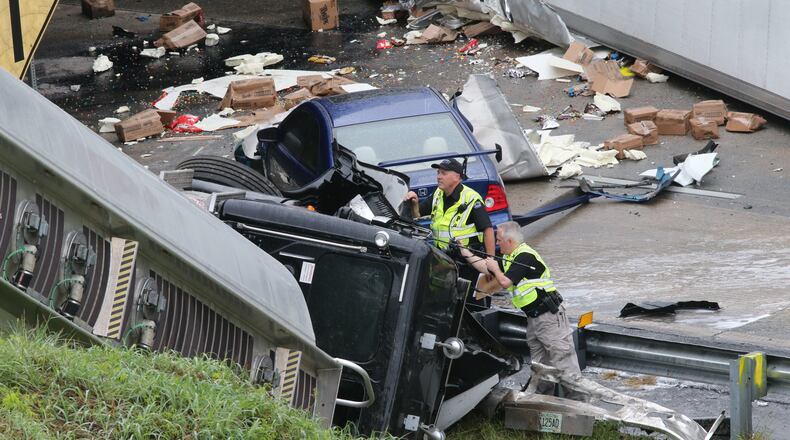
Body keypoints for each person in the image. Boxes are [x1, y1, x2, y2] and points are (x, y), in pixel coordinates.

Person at [479, 221, 583, 399]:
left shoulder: (524, 256)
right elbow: (485, 267)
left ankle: (581, 405)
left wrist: (495, 268)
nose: (496, 244)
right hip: (534, 319)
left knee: (563, 360)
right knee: (540, 364)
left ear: (509, 241)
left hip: (548, 317)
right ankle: (541, 400)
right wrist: (463, 252)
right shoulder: (512, 257)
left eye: (498, 241)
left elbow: (504, 282)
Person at [405, 158, 495, 305]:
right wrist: (414, 203)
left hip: (469, 263)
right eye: (438, 172)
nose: (439, 176)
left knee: (473, 306)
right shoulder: (437, 195)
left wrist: (491, 263)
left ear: (457, 177)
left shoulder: (471, 199)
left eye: (444, 173)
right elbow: (417, 215)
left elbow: (488, 230)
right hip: (444, 261)